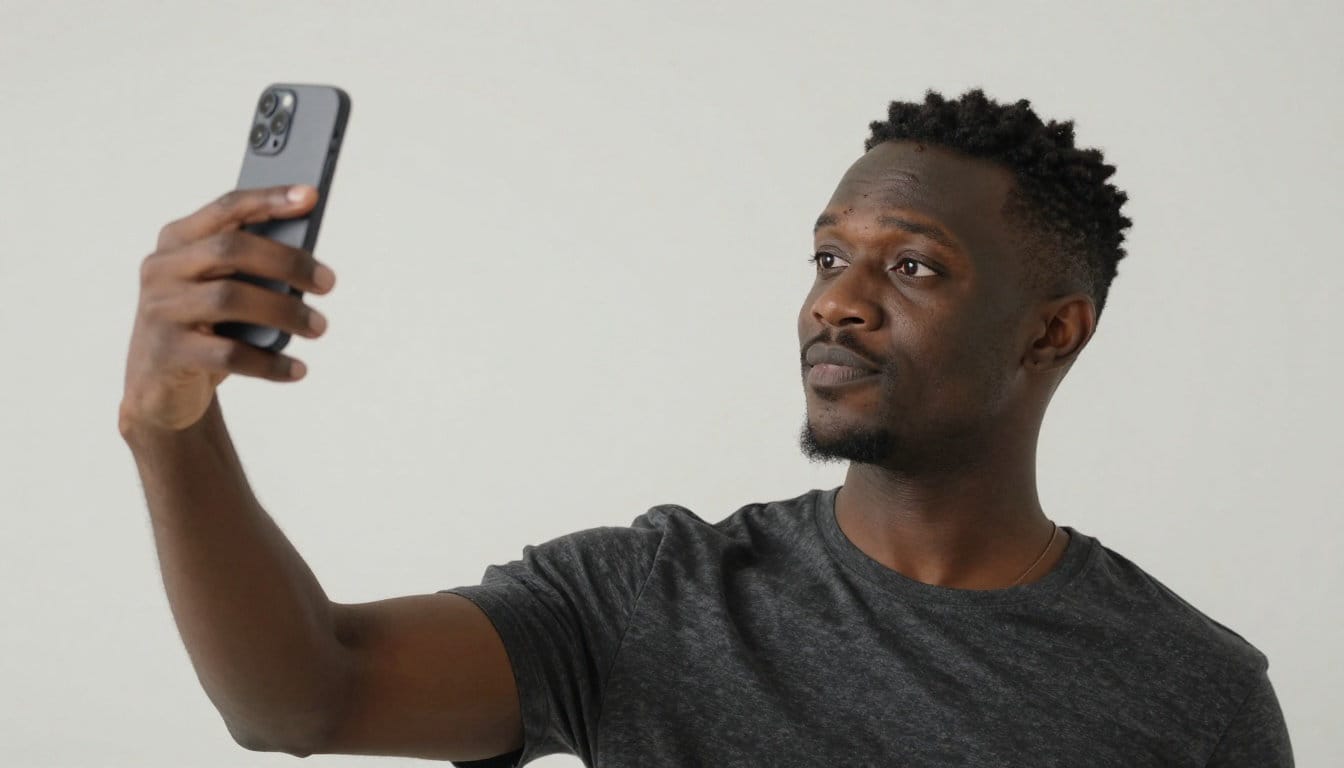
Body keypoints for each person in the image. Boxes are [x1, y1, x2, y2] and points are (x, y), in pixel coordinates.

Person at [120, 88, 1293, 766]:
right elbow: (300, 698)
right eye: (830, 255)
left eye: (915, 266)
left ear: (1052, 334)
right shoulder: (654, 598)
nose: (838, 298)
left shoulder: (1191, 692)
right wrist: (169, 429)